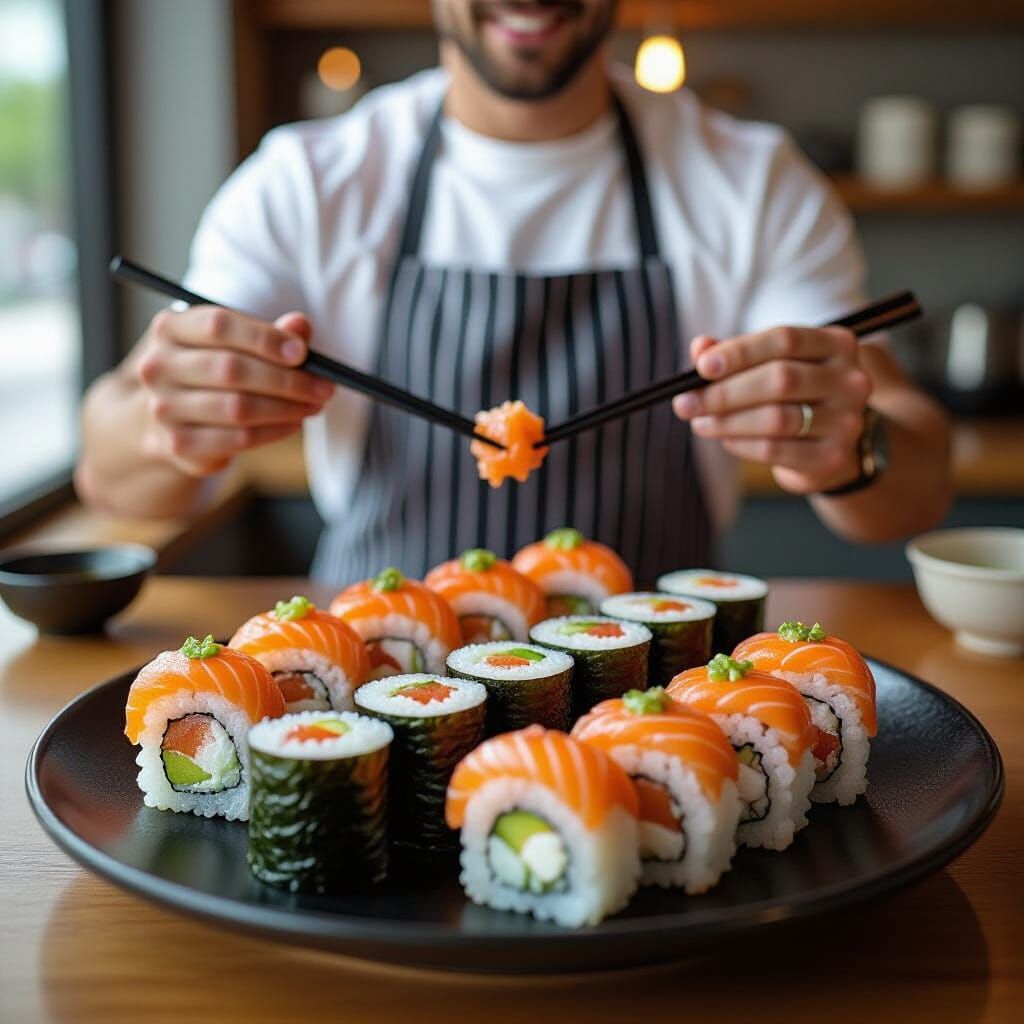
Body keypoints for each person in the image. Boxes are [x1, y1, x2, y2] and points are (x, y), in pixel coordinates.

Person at [76, 0, 951, 585]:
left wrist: (846, 442)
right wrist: (174, 421)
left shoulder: (752, 181)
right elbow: (112, 481)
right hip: (374, 677)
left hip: (655, 689)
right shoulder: (309, 181)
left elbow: (917, 482)